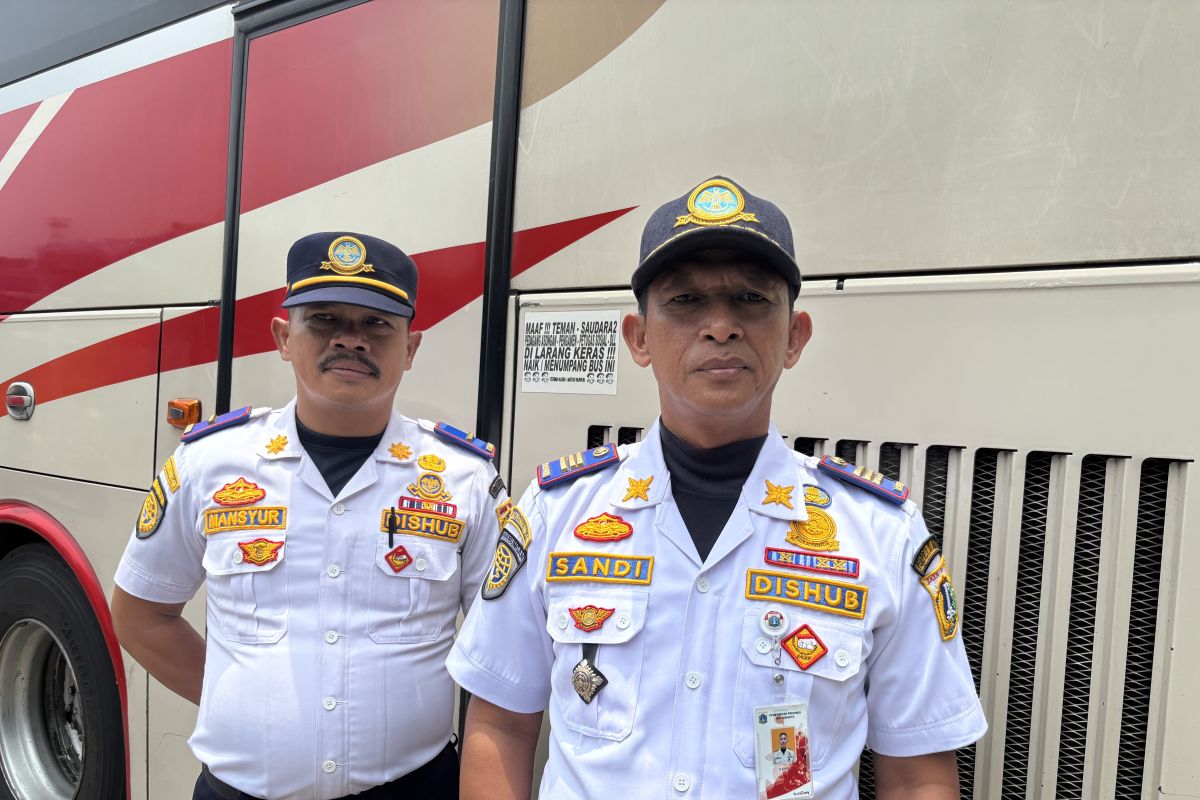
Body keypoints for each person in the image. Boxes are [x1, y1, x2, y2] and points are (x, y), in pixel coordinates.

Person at [447, 177, 986, 799]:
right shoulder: (556, 512)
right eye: (685, 301)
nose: (720, 326)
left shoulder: (882, 535)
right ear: (639, 337)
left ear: (794, 337)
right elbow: (501, 726)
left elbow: (917, 772)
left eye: (752, 298)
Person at [112, 232, 508, 800]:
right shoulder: (209, 464)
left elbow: (505, 650)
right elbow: (141, 614)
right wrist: (242, 696)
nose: (352, 340)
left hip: (414, 789)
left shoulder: (464, 479)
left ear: (412, 347)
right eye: (324, 320)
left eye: (377, 324)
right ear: (283, 337)